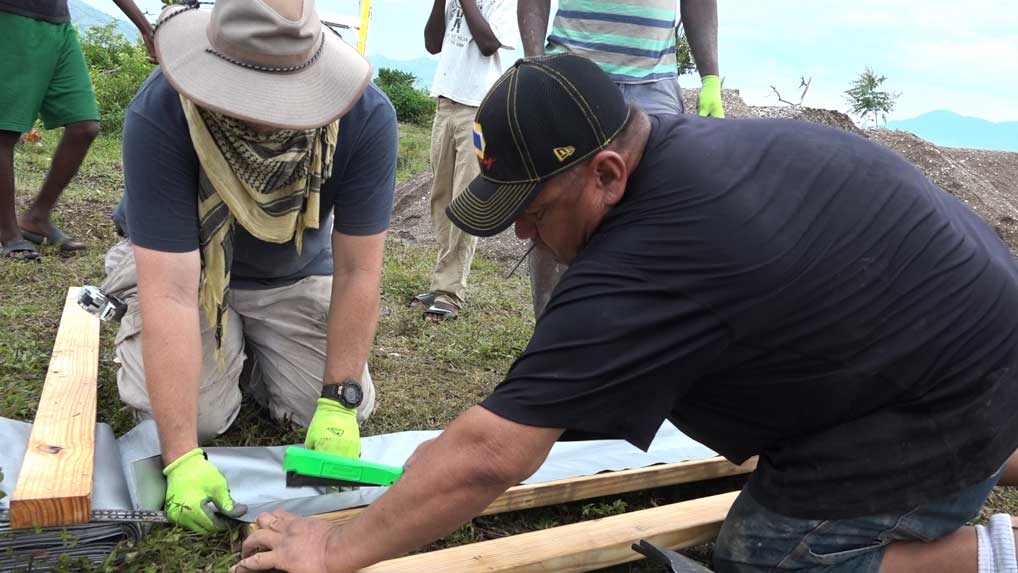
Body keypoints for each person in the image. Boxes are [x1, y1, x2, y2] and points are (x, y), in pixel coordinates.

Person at [234, 55, 1018, 573]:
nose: (523, 231)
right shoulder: (676, 153)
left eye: (534, 207)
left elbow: (491, 454)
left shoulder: (657, 255)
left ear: (606, 172)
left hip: (955, 388)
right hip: (970, 341)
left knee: (768, 554)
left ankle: (992, 548)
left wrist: (333, 546)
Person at [100, 0, 398, 534]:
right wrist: (182, 456)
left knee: (344, 410)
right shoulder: (165, 108)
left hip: (291, 274)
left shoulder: (366, 117)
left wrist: (338, 400)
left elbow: (359, 271)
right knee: (198, 420)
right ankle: (223, 352)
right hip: (184, 269)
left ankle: (251, 354)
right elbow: (169, 289)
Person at [518, 0, 725, 319]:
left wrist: (710, 77)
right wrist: (535, 62)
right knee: (553, 203)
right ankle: (551, 328)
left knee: (654, 213)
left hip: (654, 85)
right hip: (571, 71)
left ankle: (634, 336)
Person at [0, 0, 155, 260]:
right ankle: (8, 234)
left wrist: (145, 28)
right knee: (4, 132)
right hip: (11, 17)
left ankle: (37, 218)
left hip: (58, 24)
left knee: (84, 126)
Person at [413, 0, 517, 321]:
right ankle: (442, 282)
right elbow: (432, 44)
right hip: (445, 101)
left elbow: (488, 44)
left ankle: (450, 291)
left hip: (478, 109)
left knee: (464, 199)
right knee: (441, 197)